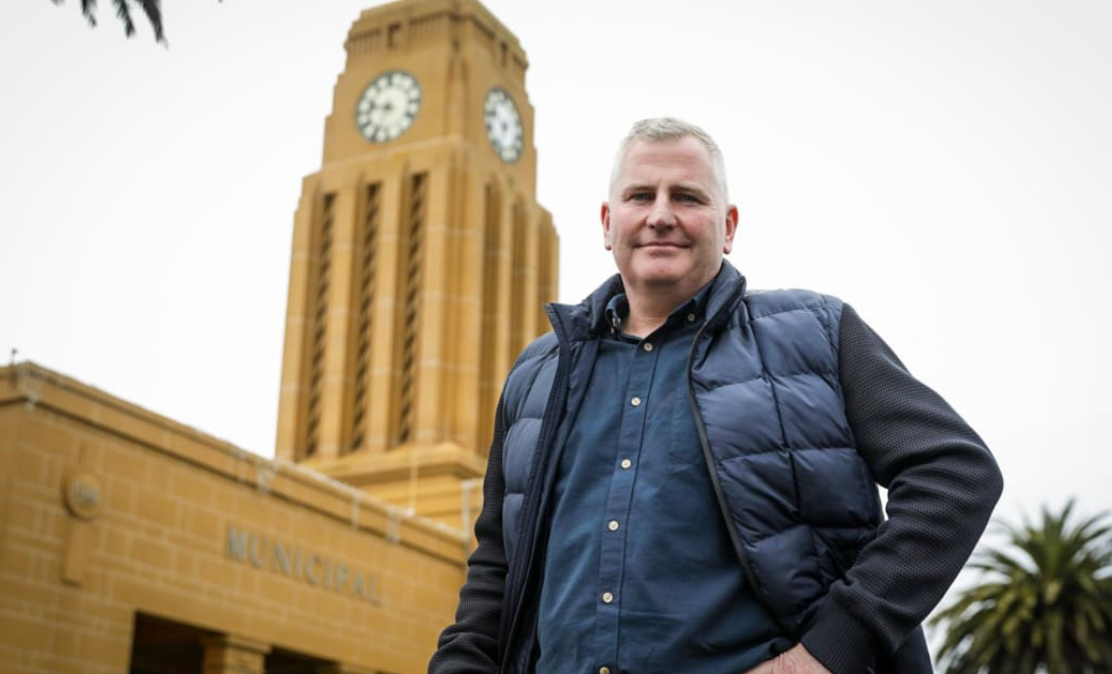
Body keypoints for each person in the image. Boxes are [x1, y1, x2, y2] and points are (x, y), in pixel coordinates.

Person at [427, 118, 1003, 674]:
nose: (660, 216)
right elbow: (498, 565)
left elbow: (955, 473)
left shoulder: (818, 334)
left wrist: (834, 648)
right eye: (639, 196)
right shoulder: (538, 372)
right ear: (607, 223)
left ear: (727, 227)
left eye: (687, 197)